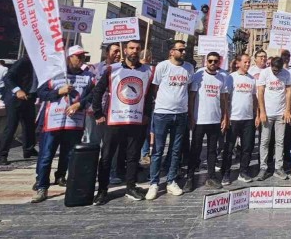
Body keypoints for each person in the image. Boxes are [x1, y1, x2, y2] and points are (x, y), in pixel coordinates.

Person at [91, 40, 153, 205]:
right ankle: (102, 190)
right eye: (131, 48)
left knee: (133, 156)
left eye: (137, 49)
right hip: (114, 120)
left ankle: (131, 187)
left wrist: (147, 114)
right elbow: (98, 90)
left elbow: (149, 95)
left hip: (136, 120)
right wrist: (98, 113)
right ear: (125, 50)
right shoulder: (113, 69)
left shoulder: (147, 71)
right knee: (106, 156)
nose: (134, 51)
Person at [31, 45, 95, 203]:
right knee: (47, 154)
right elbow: (41, 93)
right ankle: (42, 185)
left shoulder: (88, 76)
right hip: (53, 121)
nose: (80, 60)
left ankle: (61, 175)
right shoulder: (54, 75)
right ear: (69, 58)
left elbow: (93, 94)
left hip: (74, 122)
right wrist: (58, 92)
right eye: (77, 56)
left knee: (69, 154)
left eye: (83, 57)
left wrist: (79, 105)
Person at [147, 40, 195, 200]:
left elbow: (187, 88)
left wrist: (187, 111)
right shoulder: (162, 66)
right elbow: (155, 88)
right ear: (171, 52)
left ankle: (171, 181)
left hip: (180, 114)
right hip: (162, 113)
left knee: (175, 150)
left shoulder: (189, 67)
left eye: (184, 50)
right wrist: (163, 103)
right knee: (158, 149)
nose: (183, 52)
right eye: (180, 50)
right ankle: (153, 183)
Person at [185, 52, 229, 192]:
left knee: (212, 151)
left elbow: (223, 100)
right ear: (206, 61)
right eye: (210, 61)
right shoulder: (199, 75)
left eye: (215, 61)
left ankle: (211, 176)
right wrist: (191, 116)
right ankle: (190, 177)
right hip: (200, 119)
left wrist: (225, 117)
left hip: (215, 120)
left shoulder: (222, 78)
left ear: (219, 63)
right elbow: (191, 97)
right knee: (195, 150)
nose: (212, 63)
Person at [222, 54, 257, 184]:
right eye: (245, 62)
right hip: (234, 117)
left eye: (249, 62)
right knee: (229, 148)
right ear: (238, 63)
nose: (248, 64)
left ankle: (244, 171)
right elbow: (226, 98)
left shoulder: (252, 79)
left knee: (247, 147)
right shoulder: (231, 77)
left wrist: (257, 114)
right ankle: (225, 173)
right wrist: (226, 116)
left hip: (248, 118)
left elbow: (254, 98)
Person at [256, 57, 291, 180]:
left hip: (281, 113)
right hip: (267, 113)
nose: (276, 72)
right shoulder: (264, 73)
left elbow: (289, 92)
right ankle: (263, 167)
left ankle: (278, 167)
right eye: (274, 70)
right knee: (265, 141)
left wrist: (287, 110)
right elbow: (260, 92)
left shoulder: (287, 74)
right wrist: (262, 111)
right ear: (270, 65)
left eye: (278, 70)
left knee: (280, 141)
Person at [0, 56, 38, 166]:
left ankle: (29, 149)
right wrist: (17, 90)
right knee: (11, 126)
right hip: (15, 98)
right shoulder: (25, 61)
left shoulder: (42, 64)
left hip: (29, 97)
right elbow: (7, 77)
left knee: (29, 125)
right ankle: (2, 155)